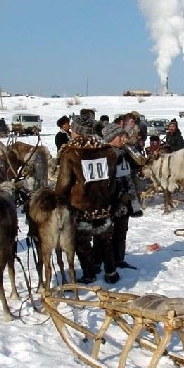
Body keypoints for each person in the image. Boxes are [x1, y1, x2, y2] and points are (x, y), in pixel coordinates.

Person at [56, 109, 120, 285]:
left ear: (78, 130)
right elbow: (112, 181)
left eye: (73, 129)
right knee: (105, 241)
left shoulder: (71, 152)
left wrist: (58, 199)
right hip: (103, 205)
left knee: (82, 244)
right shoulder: (108, 151)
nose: (71, 131)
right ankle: (111, 272)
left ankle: (89, 273)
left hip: (80, 207)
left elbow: (63, 183)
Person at [103, 122, 143, 270]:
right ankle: (107, 261)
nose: (122, 138)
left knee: (122, 232)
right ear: (111, 137)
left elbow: (139, 163)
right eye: (119, 136)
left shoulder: (125, 151)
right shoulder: (105, 153)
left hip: (127, 199)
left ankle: (119, 259)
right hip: (113, 202)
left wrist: (131, 150)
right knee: (108, 234)